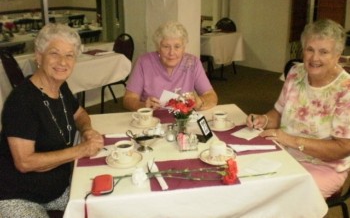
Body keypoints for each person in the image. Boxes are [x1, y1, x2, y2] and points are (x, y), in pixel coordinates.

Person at [0, 23, 104, 217]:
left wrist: (87, 130)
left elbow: (80, 114)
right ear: (39, 56)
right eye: (54, 53)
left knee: (106, 204)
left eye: (69, 55)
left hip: (57, 188)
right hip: (18, 196)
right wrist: (80, 150)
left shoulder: (60, 87)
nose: (62, 62)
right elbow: (24, 162)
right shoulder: (22, 102)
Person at [246, 19, 350, 198]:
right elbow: (279, 112)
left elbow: (342, 147)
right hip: (284, 152)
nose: (314, 58)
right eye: (310, 49)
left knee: (283, 201)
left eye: (323, 52)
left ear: (337, 54)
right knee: (247, 182)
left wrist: (289, 139)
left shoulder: (345, 89)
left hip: (323, 166)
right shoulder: (296, 72)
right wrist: (264, 119)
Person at [123, 21, 218, 111]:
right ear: (158, 47)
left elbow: (211, 96)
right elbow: (128, 99)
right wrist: (143, 106)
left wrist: (199, 101)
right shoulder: (143, 62)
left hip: (183, 120)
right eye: (166, 46)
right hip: (152, 121)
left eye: (177, 47)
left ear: (184, 48)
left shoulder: (192, 63)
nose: (171, 53)